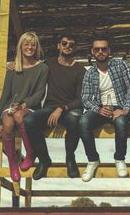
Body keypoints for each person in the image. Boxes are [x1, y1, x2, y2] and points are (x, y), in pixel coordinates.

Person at [23, 34, 86, 180]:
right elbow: (29, 67)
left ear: (74, 48)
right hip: (50, 108)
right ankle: (44, 160)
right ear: (58, 45)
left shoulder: (80, 70)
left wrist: (62, 108)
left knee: (75, 121)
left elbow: (81, 99)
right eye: (64, 43)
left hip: (70, 109)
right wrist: (13, 65)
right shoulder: (48, 64)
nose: (67, 46)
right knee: (29, 121)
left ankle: (70, 158)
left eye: (71, 44)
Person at [80, 37, 130, 182]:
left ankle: (119, 159)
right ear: (92, 52)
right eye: (97, 49)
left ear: (109, 50)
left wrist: (125, 109)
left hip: (120, 106)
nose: (100, 52)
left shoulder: (121, 65)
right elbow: (85, 98)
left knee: (121, 123)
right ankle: (93, 160)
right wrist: (97, 109)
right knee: (83, 122)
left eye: (104, 49)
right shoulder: (90, 73)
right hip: (100, 107)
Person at [0, 32, 48, 182]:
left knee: (19, 116)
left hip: (31, 107)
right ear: (21, 46)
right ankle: (13, 162)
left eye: (33, 44)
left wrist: (24, 104)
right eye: (26, 44)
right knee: (8, 124)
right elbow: (5, 95)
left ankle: (30, 153)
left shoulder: (42, 68)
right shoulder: (12, 69)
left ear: (36, 47)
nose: (30, 47)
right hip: (10, 106)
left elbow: (40, 94)